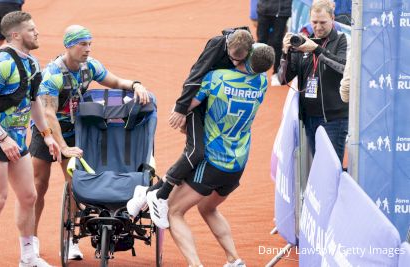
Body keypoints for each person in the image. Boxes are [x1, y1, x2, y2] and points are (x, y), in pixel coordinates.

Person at [30, 24, 151, 260]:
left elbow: (115, 82)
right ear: (68, 46)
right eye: (82, 44)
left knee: (76, 185)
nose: (87, 49)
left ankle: (72, 240)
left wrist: (135, 84)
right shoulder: (52, 75)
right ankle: (32, 240)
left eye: (89, 44)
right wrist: (61, 146)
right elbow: (48, 113)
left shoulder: (90, 66)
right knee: (38, 186)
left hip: (76, 130)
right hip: (46, 131)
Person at [127, 28, 256, 228]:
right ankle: (159, 196)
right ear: (227, 45)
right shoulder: (217, 44)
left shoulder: (249, 49)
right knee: (196, 152)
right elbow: (195, 76)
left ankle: (145, 193)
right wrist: (181, 109)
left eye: (239, 60)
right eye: (231, 58)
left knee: (199, 159)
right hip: (194, 103)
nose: (234, 63)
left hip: (212, 109)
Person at [168, 39, 275, 267]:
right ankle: (234, 260)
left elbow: (188, 105)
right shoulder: (262, 82)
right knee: (208, 207)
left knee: (173, 211)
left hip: (212, 162)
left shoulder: (217, 78)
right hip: (237, 163)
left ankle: (195, 264)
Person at [0, 11, 59, 267]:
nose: (37, 32)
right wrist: (2, 137)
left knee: (28, 197)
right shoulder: (2, 63)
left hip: (18, 140)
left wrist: (46, 135)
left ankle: (28, 258)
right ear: (16, 35)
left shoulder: (32, 63)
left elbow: (34, 103)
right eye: (32, 30)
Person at [277, 0, 348, 162]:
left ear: (332, 18)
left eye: (323, 22)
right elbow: (283, 79)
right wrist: (285, 54)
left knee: (330, 167)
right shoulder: (303, 43)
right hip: (310, 117)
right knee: (318, 166)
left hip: (334, 119)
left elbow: (343, 68)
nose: (318, 27)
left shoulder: (341, 40)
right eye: (314, 22)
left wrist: (316, 50)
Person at [256, 0, 292, 86]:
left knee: (277, 42)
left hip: (282, 11)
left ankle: (276, 73)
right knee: (261, 41)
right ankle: (258, 71)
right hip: (264, 9)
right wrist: (253, 13)